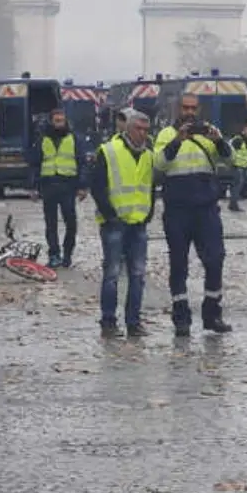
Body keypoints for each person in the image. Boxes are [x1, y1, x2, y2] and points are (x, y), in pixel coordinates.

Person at [154, 93, 232, 337]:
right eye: (185, 108)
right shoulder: (167, 134)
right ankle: (181, 317)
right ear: (178, 109)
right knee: (178, 264)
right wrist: (177, 140)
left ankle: (212, 313)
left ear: (199, 110)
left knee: (215, 258)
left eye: (193, 108)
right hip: (177, 210)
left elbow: (230, 159)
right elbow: (158, 164)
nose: (189, 112)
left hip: (205, 208)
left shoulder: (209, 132)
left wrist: (218, 141)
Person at [92, 109, 154, 338]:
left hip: (138, 223)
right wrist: (110, 215)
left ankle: (133, 322)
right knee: (112, 273)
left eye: (146, 130)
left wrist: (149, 213)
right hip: (114, 224)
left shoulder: (148, 154)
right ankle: (108, 321)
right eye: (139, 129)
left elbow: (149, 186)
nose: (143, 134)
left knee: (137, 275)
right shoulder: (108, 151)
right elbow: (97, 186)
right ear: (128, 129)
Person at [32, 107, 86, 268]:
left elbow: (82, 163)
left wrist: (82, 186)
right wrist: (34, 187)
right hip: (48, 185)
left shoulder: (74, 138)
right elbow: (35, 164)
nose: (59, 123)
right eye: (56, 120)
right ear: (51, 121)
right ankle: (54, 254)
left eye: (61, 120)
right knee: (51, 224)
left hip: (67, 185)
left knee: (71, 223)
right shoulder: (42, 139)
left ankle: (67, 253)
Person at [227, 126, 247, 212]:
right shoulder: (238, 140)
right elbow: (231, 152)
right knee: (236, 187)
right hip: (237, 167)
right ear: (243, 130)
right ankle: (233, 205)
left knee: (237, 187)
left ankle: (233, 204)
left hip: (242, 166)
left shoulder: (243, 139)